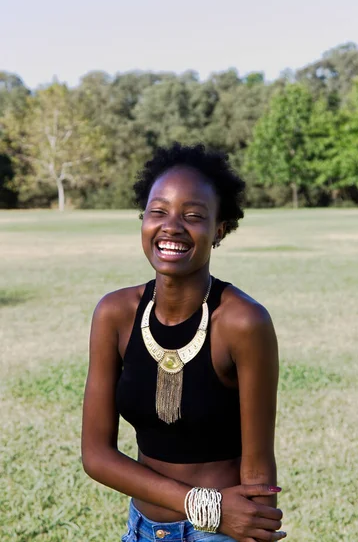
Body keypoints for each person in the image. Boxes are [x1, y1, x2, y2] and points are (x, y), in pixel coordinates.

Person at [82, 143, 286, 542]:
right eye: (158, 212)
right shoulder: (114, 314)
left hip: (219, 535)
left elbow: (259, 472)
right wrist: (200, 503)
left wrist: (232, 523)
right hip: (141, 530)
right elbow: (96, 456)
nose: (171, 226)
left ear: (219, 229)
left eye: (193, 216)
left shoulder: (244, 322)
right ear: (143, 220)